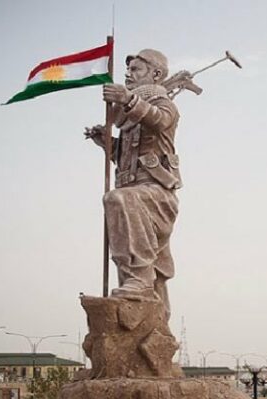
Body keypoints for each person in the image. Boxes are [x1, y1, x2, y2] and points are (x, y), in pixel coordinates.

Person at [84, 49, 181, 312]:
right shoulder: (130, 120)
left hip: (156, 193)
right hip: (135, 192)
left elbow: (159, 121)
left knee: (117, 198)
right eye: (128, 69)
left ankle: (139, 278)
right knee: (152, 270)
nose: (128, 74)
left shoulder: (165, 105)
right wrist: (106, 143)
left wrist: (128, 100)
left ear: (156, 74)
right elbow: (126, 157)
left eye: (136, 69)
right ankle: (153, 312)